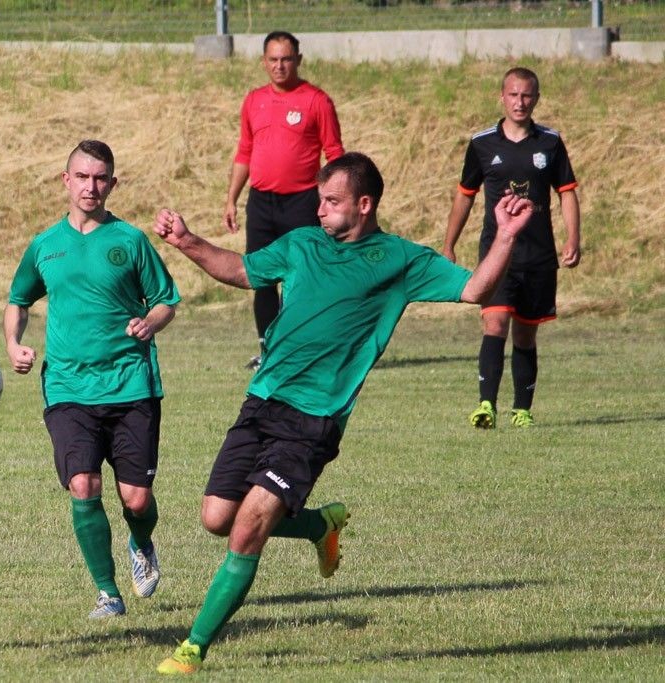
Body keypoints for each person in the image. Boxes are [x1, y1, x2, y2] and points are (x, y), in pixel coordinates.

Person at [152, 152, 534, 675]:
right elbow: (243, 271)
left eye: (331, 203)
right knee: (217, 518)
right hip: (262, 400)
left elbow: (474, 290)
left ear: (364, 204)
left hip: (316, 418)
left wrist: (506, 236)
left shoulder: (399, 260)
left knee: (247, 531)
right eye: (320, 201)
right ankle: (318, 527)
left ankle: (192, 648)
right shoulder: (303, 244)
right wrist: (187, 241)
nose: (321, 212)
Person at [4, 140, 180, 619]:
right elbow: (18, 300)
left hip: (131, 383)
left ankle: (141, 543)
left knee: (136, 499)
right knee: (83, 484)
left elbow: (166, 298)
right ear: (66, 180)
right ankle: (108, 593)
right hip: (67, 386)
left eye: (100, 178)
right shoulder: (45, 245)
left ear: (112, 184)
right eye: (82, 176)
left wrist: (152, 322)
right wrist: (14, 344)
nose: (91, 186)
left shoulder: (130, 240)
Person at [443, 66, 581, 429]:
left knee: (525, 331)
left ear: (536, 98)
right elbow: (464, 196)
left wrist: (573, 239)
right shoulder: (482, 144)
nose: (520, 102)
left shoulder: (550, 143)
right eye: (514, 95)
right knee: (495, 322)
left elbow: (567, 193)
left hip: (538, 254)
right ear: (501, 97)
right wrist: (449, 244)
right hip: (497, 253)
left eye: (527, 95)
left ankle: (522, 409)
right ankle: (486, 405)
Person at [224, 30, 345, 370]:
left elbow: (334, 152)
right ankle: (268, 349)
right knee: (261, 278)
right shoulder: (254, 100)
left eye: (286, 59)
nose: (280, 66)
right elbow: (245, 151)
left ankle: (303, 349)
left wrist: (333, 199)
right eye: (273, 60)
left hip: (302, 201)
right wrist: (231, 198)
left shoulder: (316, 100)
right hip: (261, 203)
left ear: (298, 60)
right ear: (264, 62)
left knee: (301, 278)